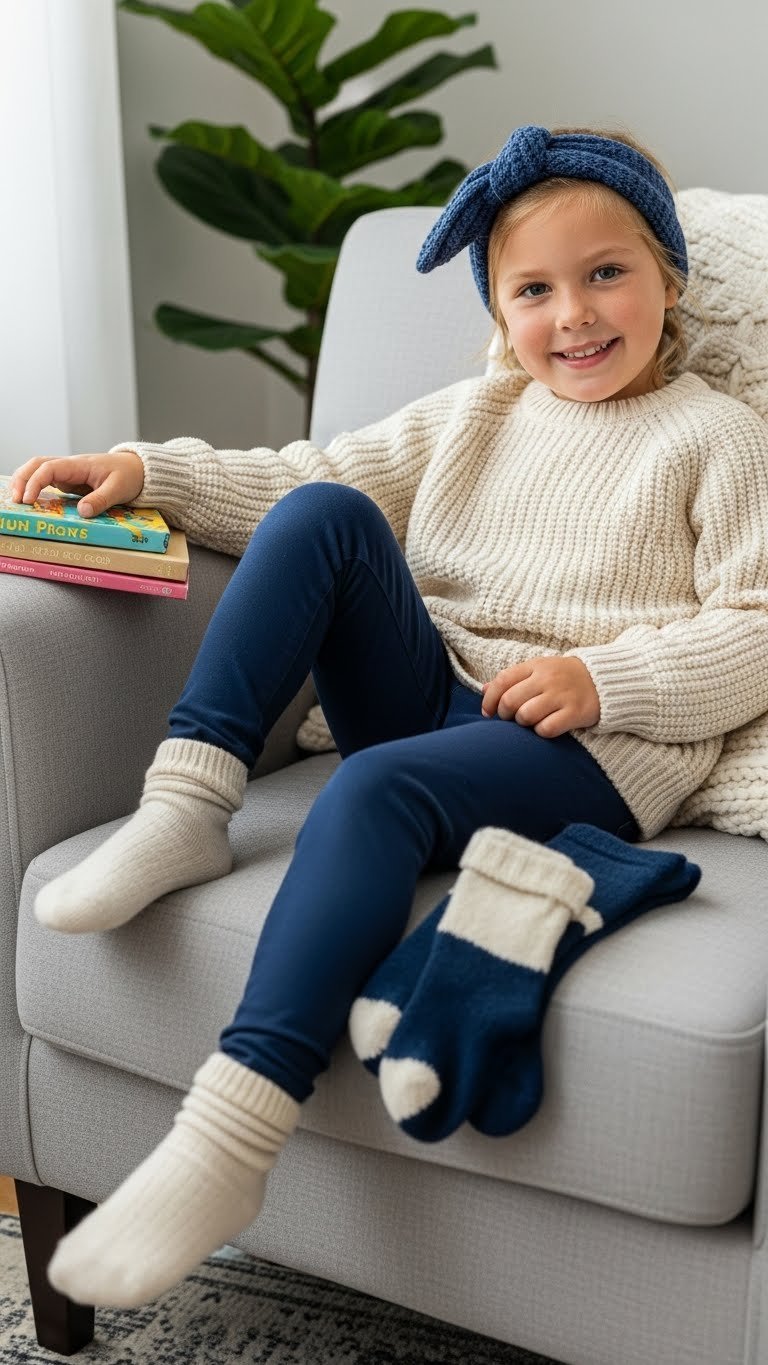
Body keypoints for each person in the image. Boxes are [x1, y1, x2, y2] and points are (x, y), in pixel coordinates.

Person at [10, 123, 768, 1309]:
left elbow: (758, 623)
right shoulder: (476, 413)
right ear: (500, 311)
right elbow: (298, 477)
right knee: (325, 516)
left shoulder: (718, 437)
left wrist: (604, 680)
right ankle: (188, 802)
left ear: (668, 280)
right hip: (437, 695)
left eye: (606, 273)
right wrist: (147, 472)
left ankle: (230, 1133)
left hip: (584, 749)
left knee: (375, 786)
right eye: (535, 289)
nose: (573, 314)